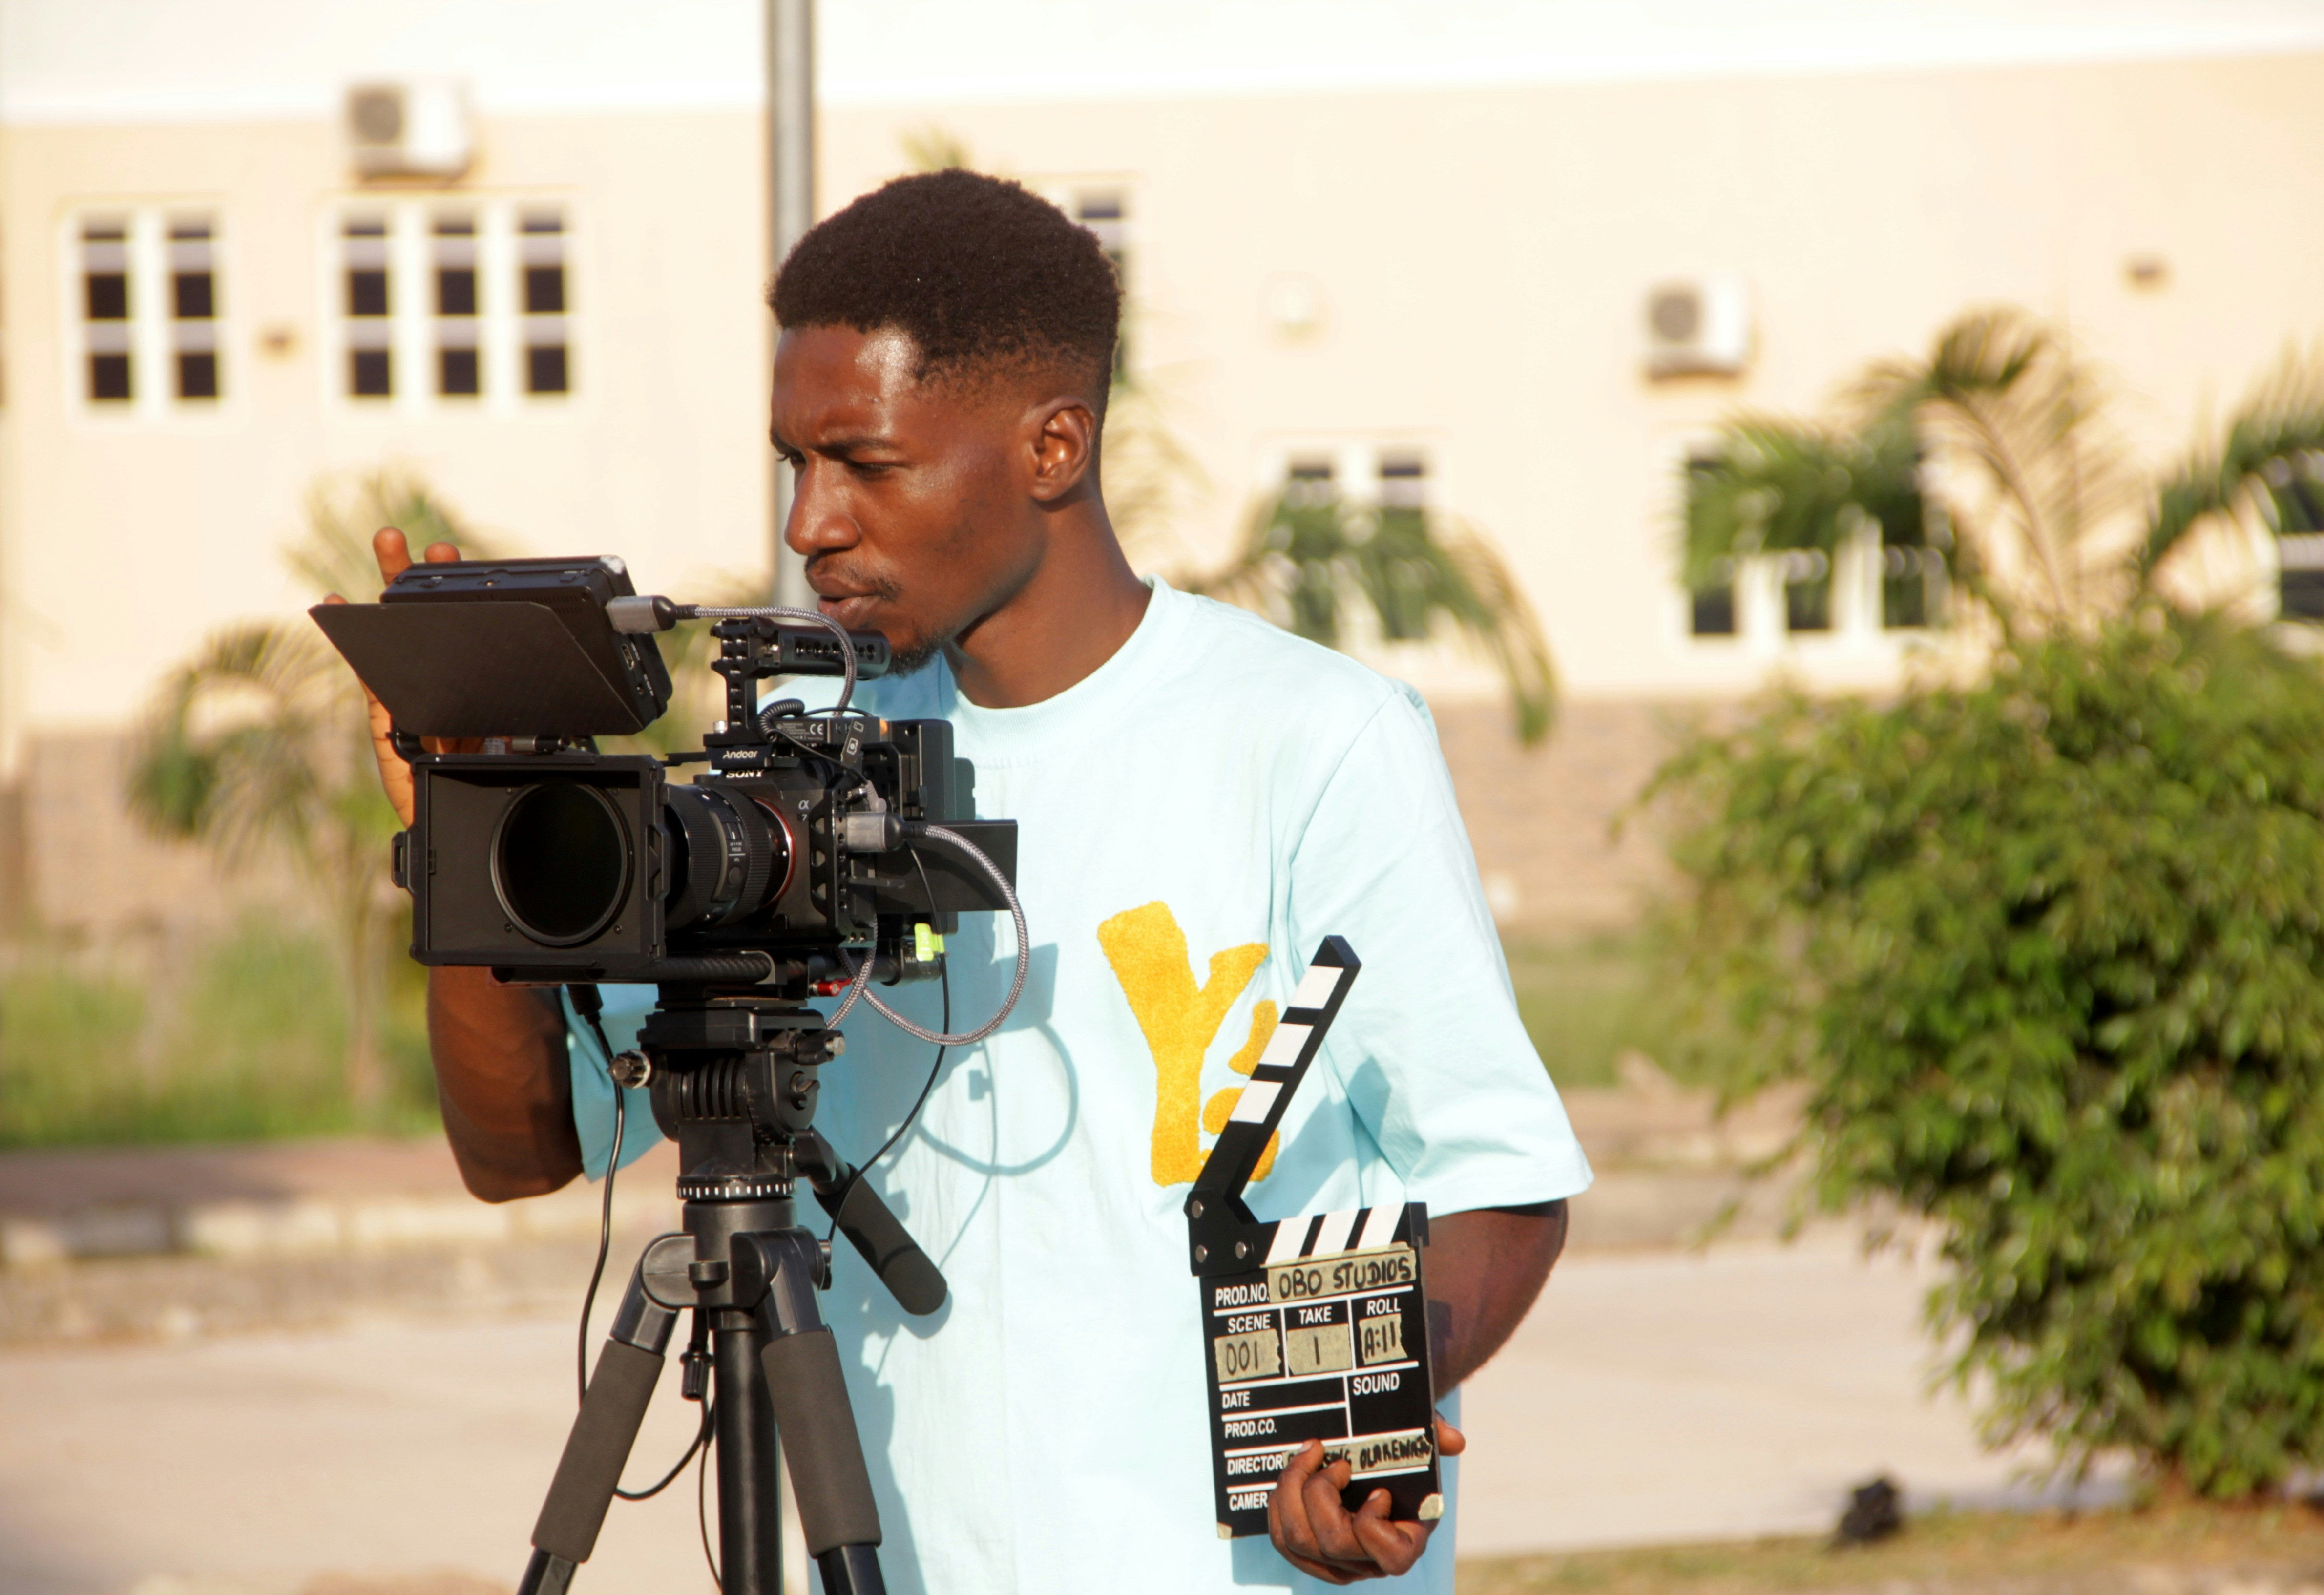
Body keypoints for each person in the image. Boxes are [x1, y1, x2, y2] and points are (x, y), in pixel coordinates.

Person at [348, 169, 1589, 1593]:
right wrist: (469, 828)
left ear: (1052, 444)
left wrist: (1365, 1423)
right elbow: (520, 1153)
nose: (810, 520)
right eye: (791, 464)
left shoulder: (1310, 736)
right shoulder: (790, 778)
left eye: (863, 463)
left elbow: (1497, 1174)